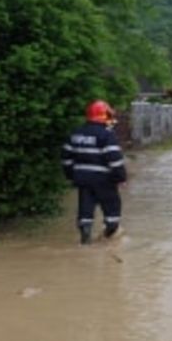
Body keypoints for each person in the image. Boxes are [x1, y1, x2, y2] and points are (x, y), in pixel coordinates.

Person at [62, 100, 127, 244]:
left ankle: (85, 239)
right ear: (105, 115)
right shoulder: (107, 135)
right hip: (104, 180)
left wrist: (72, 176)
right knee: (112, 209)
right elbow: (115, 160)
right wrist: (121, 177)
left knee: (85, 210)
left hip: (83, 180)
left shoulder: (76, 133)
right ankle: (108, 235)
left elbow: (66, 159)